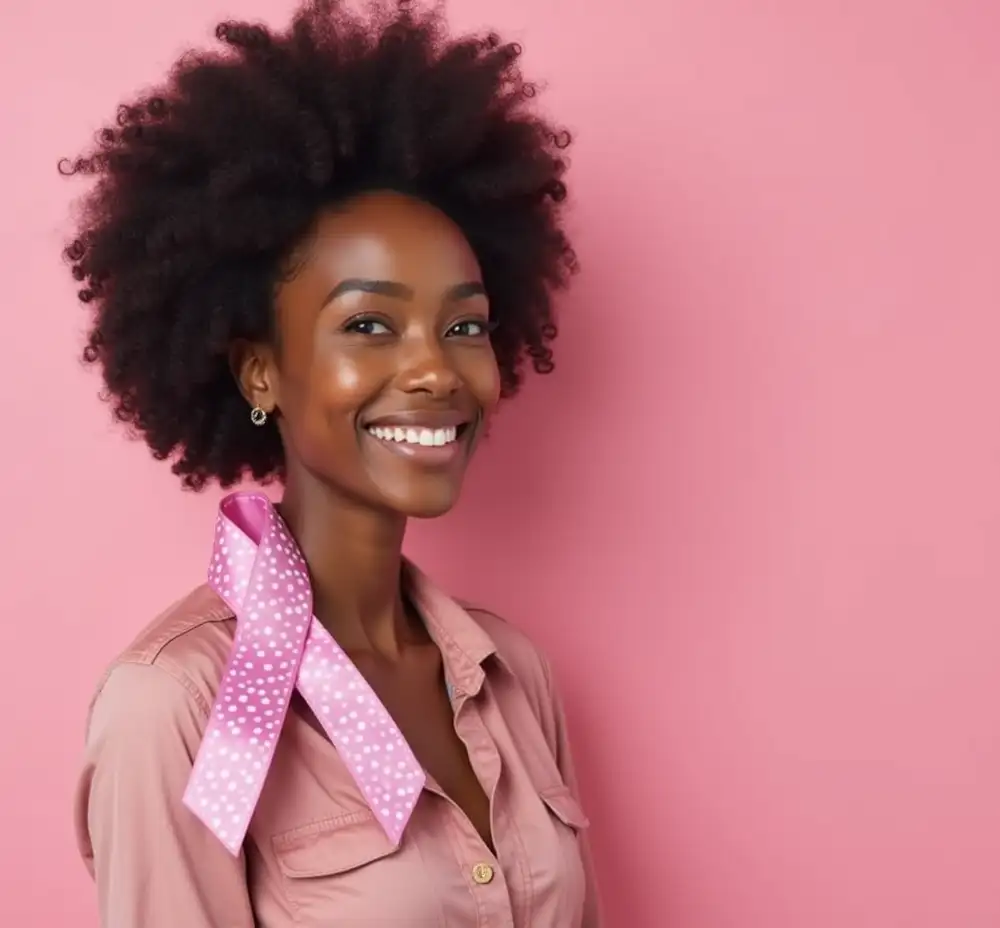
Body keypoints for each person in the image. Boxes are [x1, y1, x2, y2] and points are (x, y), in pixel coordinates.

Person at [61, 2, 599, 924]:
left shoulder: (513, 674)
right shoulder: (177, 707)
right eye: (369, 325)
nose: (436, 369)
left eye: (463, 325)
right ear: (261, 369)